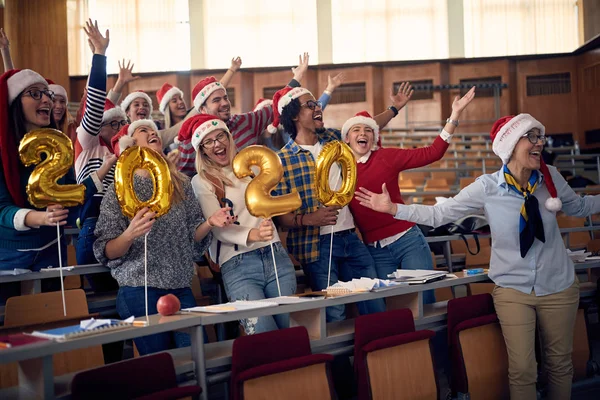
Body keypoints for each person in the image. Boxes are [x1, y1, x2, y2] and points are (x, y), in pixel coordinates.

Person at [355, 113, 600, 400]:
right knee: (523, 369)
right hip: (513, 290)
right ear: (510, 145)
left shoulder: (551, 179)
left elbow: (580, 207)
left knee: (560, 365)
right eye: (531, 137)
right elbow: (438, 215)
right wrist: (395, 209)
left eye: (540, 137)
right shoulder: (487, 187)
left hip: (558, 285)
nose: (539, 144)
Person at [93, 119, 234, 355]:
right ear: (130, 144)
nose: (152, 132)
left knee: (197, 360)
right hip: (139, 288)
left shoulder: (180, 183)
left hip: (180, 288)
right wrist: (129, 234)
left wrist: (209, 223)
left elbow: (194, 237)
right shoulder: (119, 188)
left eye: (154, 130)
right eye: (143, 130)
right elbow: (104, 249)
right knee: (163, 364)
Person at [272, 83, 411, 322]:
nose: (318, 108)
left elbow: (366, 128)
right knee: (335, 314)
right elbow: (279, 217)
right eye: (310, 105)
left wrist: (394, 108)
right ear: (294, 114)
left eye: (317, 104)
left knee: (373, 301)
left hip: (350, 238)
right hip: (316, 247)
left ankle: (378, 357)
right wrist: (309, 219)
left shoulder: (334, 140)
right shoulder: (281, 161)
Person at [344, 86, 476, 304]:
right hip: (375, 250)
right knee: (395, 311)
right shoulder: (340, 169)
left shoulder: (387, 157)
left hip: (408, 241)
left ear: (374, 137)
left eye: (368, 130)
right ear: (347, 138)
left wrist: (454, 115)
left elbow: (434, 152)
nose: (363, 133)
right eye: (356, 130)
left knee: (423, 305)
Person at [186, 114, 297, 334]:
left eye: (220, 136)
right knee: (263, 333)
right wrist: (254, 234)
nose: (217, 144)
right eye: (209, 141)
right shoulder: (202, 180)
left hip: (275, 255)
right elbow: (218, 228)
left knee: (290, 331)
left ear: (229, 137)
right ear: (202, 150)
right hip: (238, 264)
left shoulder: (253, 166)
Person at [176, 53, 310, 176]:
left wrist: (297, 77)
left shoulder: (246, 122)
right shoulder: (192, 142)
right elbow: (184, 179)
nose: (224, 103)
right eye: (216, 100)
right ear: (203, 109)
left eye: (225, 97)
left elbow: (279, 103)